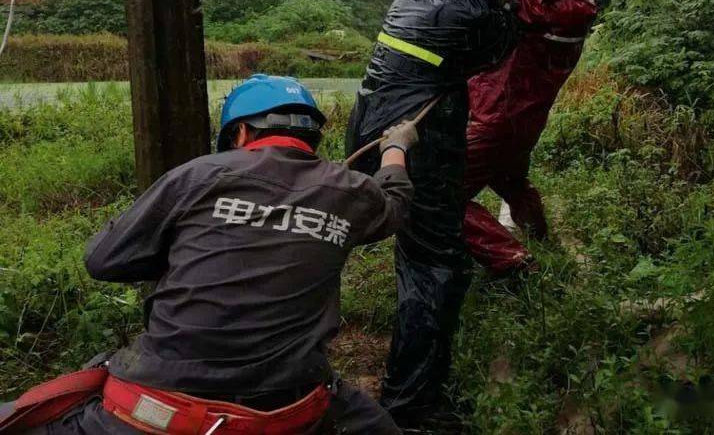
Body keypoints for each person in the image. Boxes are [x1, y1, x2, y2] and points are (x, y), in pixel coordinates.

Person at [1, 74, 419, 435]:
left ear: (239, 135)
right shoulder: (350, 192)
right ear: (311, 136)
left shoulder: (199, 175)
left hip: (163, 402)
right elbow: (396, 203)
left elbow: (102, 260)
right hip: (292, 398)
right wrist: (395, 148)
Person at [345, 0, 536, 427]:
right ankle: (411, 407)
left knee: (420, 256)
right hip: (414, 149)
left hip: (371, 131)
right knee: (436, 268)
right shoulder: (476, 15)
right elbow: (505, 44)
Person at [463, 0, 603, 276]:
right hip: (519, 122)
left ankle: (514, 263)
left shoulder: (553, 10)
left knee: (438, 194)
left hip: (497, 119)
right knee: (511, 183)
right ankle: (543, 242)